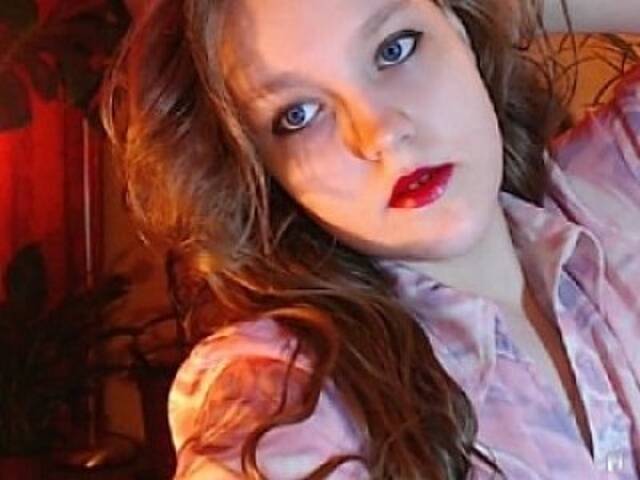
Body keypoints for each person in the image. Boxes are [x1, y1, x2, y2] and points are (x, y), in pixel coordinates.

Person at [103, 0, 640, 478]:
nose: (379, 133)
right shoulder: (288, 391)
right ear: (264, 168)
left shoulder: (612, 184)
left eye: (395, 48)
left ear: (458, 27)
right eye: (299, 115)